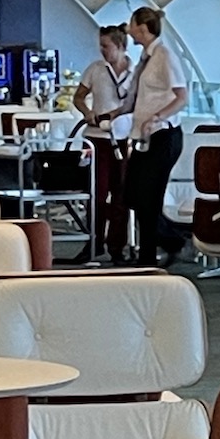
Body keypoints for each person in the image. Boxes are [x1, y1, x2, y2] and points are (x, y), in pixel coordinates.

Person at [124, 6, 189, 266]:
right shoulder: (146, 57)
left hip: (164, 136)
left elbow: (181, 97)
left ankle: (148, 256)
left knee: (148, 196)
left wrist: (157, 117)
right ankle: (171, 239)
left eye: (131, 25)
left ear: (141, 28)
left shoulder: (164, 56)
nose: (128, 30)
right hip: (144, 136)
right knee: (133, 194)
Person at [73, 23, 135, 262]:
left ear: (120, 46)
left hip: (122, 138)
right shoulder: (96, 70)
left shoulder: (135, 72)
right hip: (97, 139)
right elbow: (79, 97)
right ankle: (94, 242)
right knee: (96, 193)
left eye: (106, 46)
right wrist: (87, 112)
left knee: (121, 194)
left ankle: (117, 246)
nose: (102, 50)